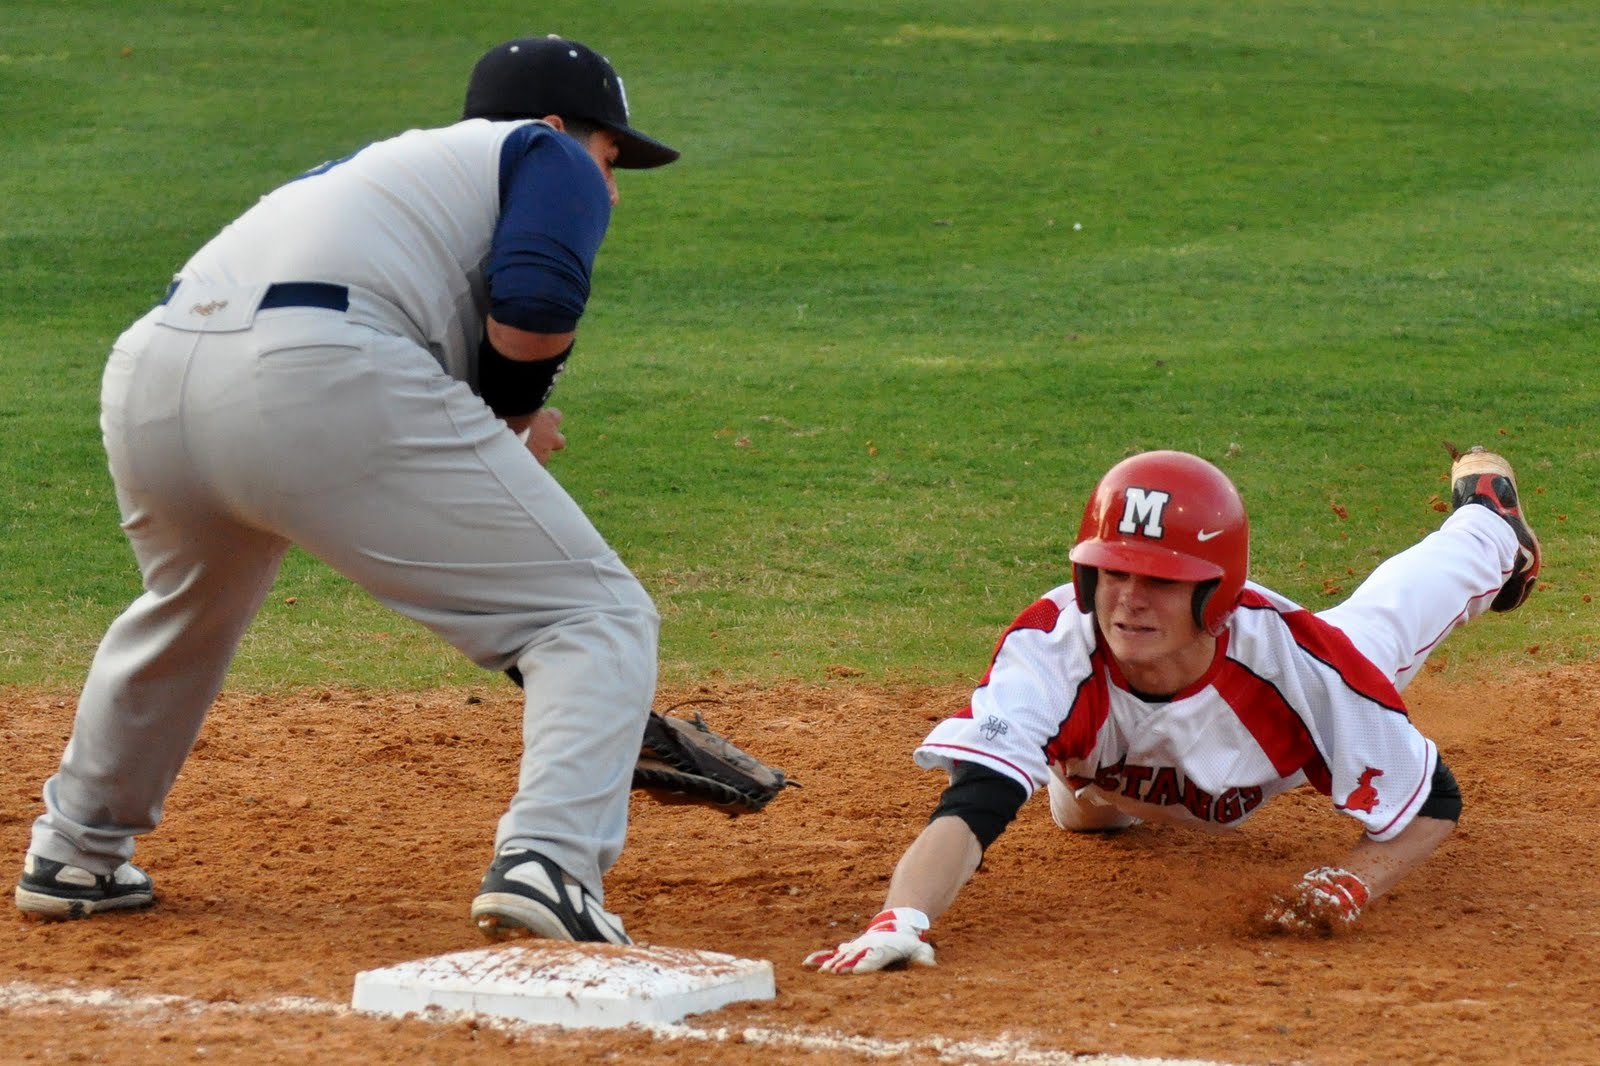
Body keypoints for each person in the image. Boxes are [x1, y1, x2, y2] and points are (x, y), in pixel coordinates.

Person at [14, 35, 680, 945]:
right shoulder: (542, 150)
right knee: (592, 615)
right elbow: (535, 301)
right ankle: (551, 861)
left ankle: (76, 850)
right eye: (611, 157)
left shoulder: (372, 173)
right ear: (560, 126)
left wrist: (499, 416)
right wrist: (514, 415)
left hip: (154, 372)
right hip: (311, 373)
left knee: (187, 606)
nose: (607, 184)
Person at [806, 445, 1542, 972]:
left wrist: (1349, 884)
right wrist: (900, 917)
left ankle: (1489, 528)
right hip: (1100, 776)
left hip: (1265, 747)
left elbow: (1433, 801)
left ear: (1214, 594)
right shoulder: (1051, 648)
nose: (1128, 600)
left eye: (1159, 581)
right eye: (1112, 573)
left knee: (1380, 627)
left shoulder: (1300, 669)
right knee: (1081, 813)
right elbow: (976, 801)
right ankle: (1094, 794)